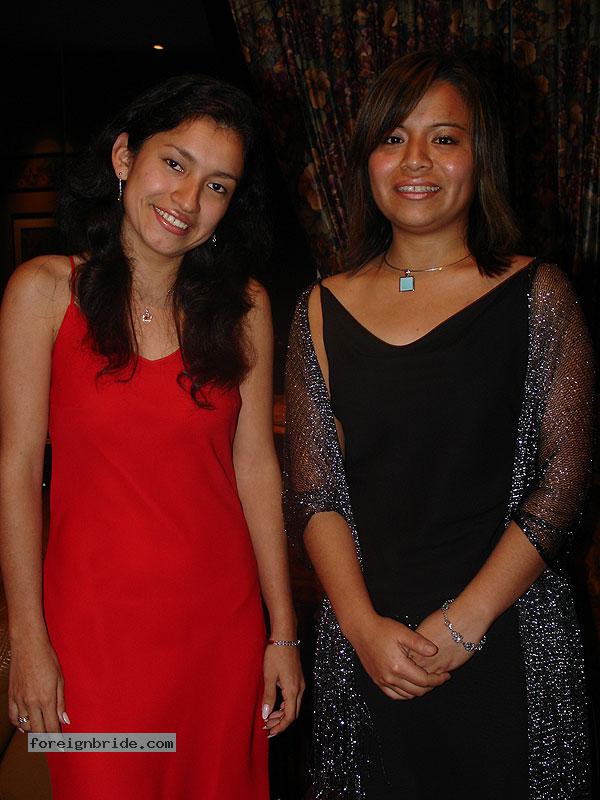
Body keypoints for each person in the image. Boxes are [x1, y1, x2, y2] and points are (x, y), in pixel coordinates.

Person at [284, 51, 593, 799]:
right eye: (392, 137)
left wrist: (462, 626)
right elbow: (316, 492)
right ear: (366, 161)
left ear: (480, 159)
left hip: (507, 636)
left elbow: (564, 479)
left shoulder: (539, 294)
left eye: (444, 138)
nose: (415, 159)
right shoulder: (319, 308)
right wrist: (361, 627)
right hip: (370, 648)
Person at [0, 74, 304, 799]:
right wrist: (26, 639)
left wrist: (282, 633)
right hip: (92, 639)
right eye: (175, 163)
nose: (188, 199)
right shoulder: (44, 292)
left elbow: (256, 469)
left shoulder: (247, 307)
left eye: (217, 185)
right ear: (124, 157)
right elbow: (16, 472)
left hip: (220, 631)